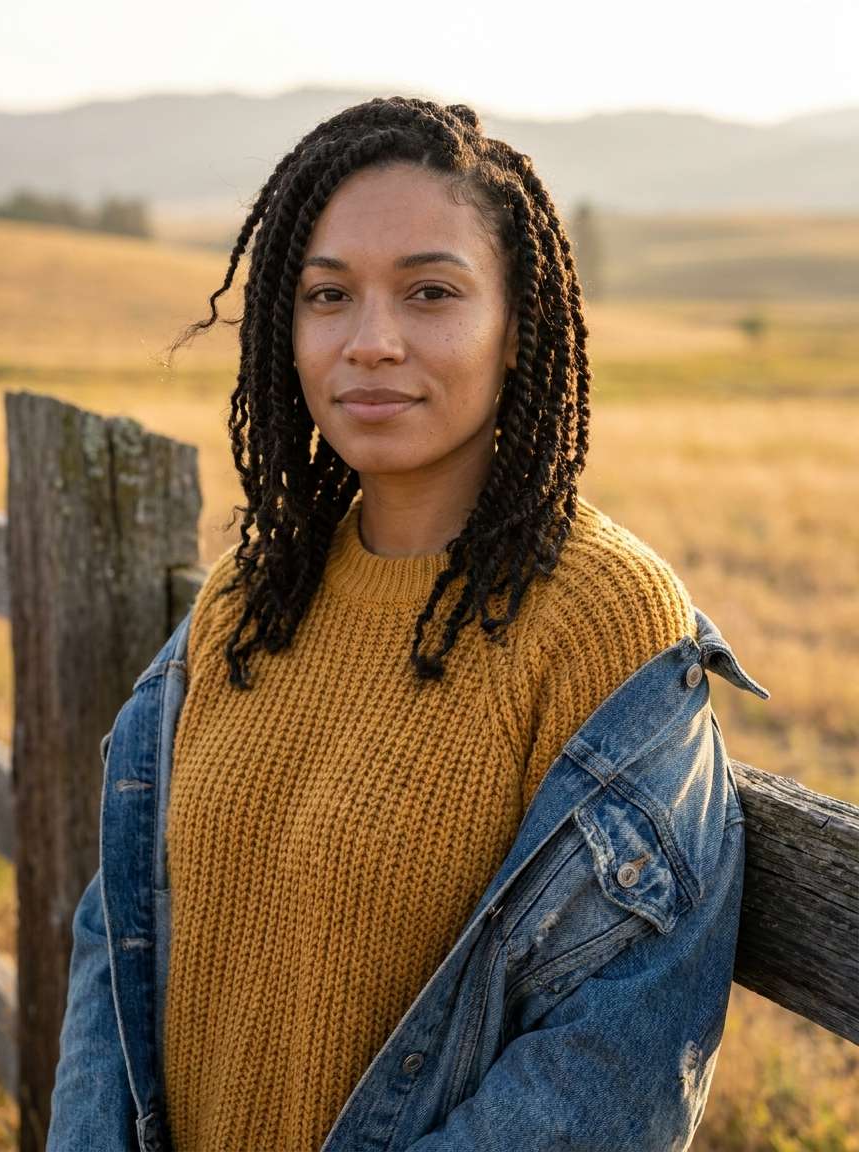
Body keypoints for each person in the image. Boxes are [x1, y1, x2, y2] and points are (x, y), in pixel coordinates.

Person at [46, 95, 769, 1152]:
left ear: (518, 324)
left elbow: (609, 1071)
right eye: (327, 295)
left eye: (430, 292)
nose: (371, 342)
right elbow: (117, 932)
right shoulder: (253, 594)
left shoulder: (602, 621)